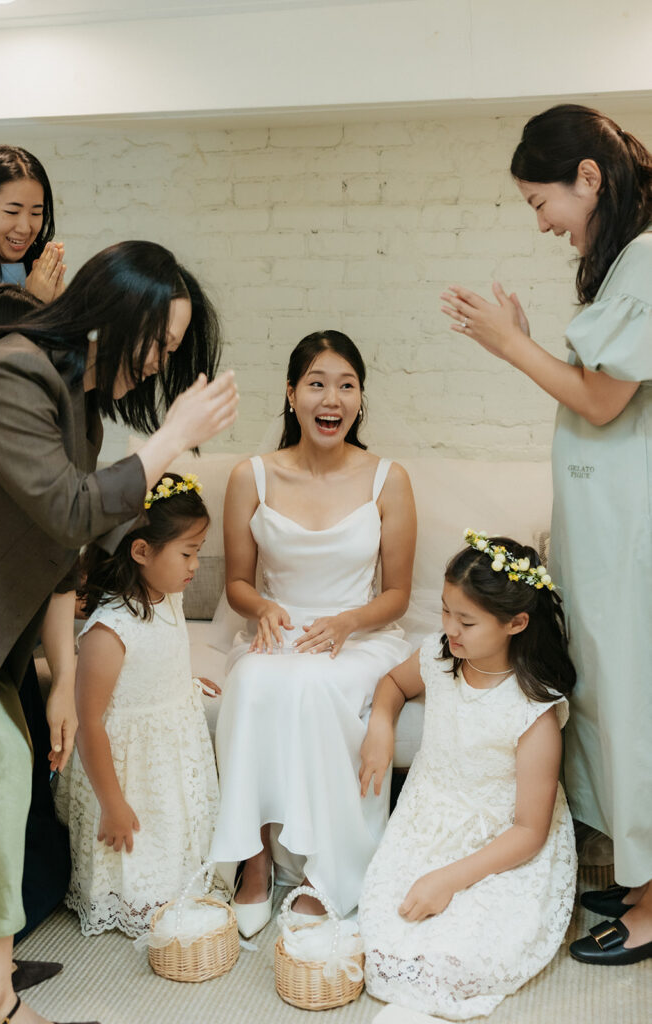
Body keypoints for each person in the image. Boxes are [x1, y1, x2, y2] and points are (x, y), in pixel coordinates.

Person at [0, 240, 238, 1024]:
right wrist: (170, 440)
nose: (157, 366)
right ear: (111, 319)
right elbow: (73, 510)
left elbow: (60, 553)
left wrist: (53, 676)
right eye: (157, 344)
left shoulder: (74, 401)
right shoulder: (6, 377)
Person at [440, 103, 652, 965]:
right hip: (609, 527)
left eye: (540, 201)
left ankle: (650, 905)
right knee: (615, 697)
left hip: (629, 529)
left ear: (588, 178)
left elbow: (602, 399)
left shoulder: (644, 259)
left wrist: (507, 346)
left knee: (637, 708)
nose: (541, 222)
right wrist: (526, 344)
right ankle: (640, 881)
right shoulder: (628, 262)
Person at [210, 330, 416, 936]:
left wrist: (349, 622)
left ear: (359, 398)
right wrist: (263, 608)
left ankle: (326, 870)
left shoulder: (389, 479)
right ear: (293, 394)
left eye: (347, 385)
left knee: (318, 690)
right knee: (250, 682)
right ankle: (253, 859)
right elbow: (238, 585)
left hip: (359, 633)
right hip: (280, 629)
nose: (333, 398)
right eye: (318, 384)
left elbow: (397, 594)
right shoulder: (252, 475)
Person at [359, 530, 577, 1019]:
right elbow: (393, 682)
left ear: (516, 623)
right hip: (429, 819)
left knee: (461, 956)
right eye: (444, 611)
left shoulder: (533, 711)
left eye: (466, 621)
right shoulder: (440, 659)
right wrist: (380, 723)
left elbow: (529, 831)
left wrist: (450, 879)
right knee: (385, 943)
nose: (449, 629)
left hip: (503, 842)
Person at [56, 473, 220, 937]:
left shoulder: (170, 595)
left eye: (199, 551)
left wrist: (178, 682)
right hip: (127, 769)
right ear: (142, 551)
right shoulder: (109, 632)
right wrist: (112, 802)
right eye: (188, 553)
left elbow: (156, 655)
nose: (196, 564)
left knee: (181, 852)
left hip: (169, 745)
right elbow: (89, 723)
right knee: (139, 864)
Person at [0, 285, 73, 990]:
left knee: (15, 786)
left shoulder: (45, 440)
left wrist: (63, 678)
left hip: (9, 650)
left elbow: (66, 569)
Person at [0, 144, 65, 303]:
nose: (25, 228)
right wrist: (34, 301)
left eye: (36, 213)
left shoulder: (37, 272)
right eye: (12, 212)